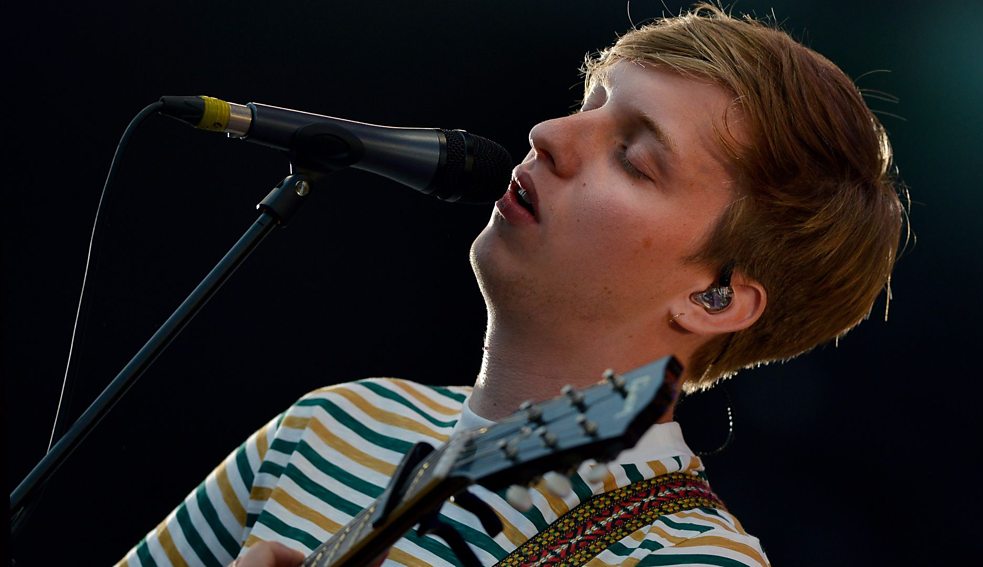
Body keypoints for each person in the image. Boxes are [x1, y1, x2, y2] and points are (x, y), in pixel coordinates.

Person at [118, 3, 905, 566]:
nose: (548, 135)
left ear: (715, 297)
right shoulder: (330, 426)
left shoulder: (689, 557)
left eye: (634, 158)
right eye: (588, 107)